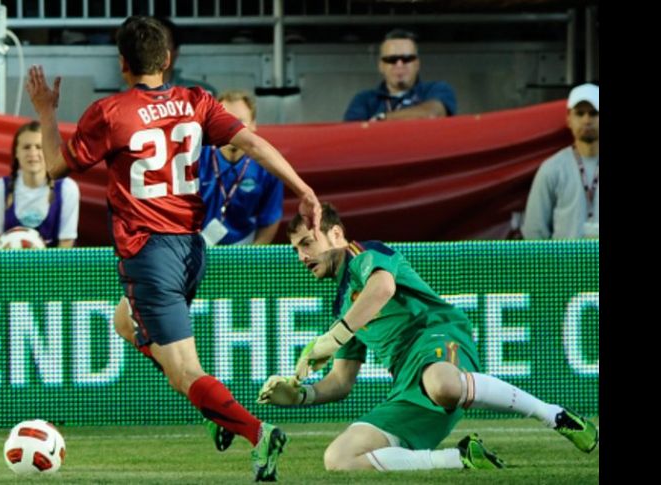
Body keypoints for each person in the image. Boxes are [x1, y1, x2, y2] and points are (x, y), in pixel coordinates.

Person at [25, 16, 321, 482]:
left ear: (122, 64)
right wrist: (303, 188)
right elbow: (255, 144)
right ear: (167, 60)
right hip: (191, 249)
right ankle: (218, 410)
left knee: (185, 371)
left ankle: (257, 432)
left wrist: (45, 111)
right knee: (127, 321)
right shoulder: (196, 101)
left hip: (149, 252)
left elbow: (55, 169)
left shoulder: (110, 112)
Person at [256, 203, 598, 472]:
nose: (301, 256)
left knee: (442, 384)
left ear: (336, 235)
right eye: (296, 249)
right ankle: (460, 458)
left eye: (307, 243)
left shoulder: (365, 254)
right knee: (339, 458)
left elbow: (383, 287)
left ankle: (554, 415)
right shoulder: (344, 306)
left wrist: (334, 336)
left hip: (437, 336)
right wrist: (302, 396)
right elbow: (342, 382)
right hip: (406, 386)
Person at [199, 90, 284, 245]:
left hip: (244, 245)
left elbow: (270, 218)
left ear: (253, 125)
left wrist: (252, 259)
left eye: (239, 122)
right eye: (224, 120)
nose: (230, 128)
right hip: (197, 245)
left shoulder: (268, 167)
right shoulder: (195, 158)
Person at [0, 120, 80, 248]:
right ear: (16, 153)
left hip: (52, 267)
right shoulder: (0, 188)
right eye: (26, 147)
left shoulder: (67, 189)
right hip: (9, 266)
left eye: (39, 147)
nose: (33, 153)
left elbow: (66, 243)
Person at [521, 83, 599, 239]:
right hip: (566, 263)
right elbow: (534, 231)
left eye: (593, 113)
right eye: (580, 113)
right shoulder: (552, 169)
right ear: (569, 119)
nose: (586, 120)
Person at [343, 29, 457, 122]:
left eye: (407, 59)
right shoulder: (363, 100)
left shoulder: (437, 89)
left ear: (417, 64)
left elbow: (433, 114)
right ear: (381, 66)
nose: (399, 64)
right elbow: (353, 137)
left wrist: (381, 119)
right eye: (391, 59)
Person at [156, 17, 218, 95]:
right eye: (149, 43)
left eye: (163, 43)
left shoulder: (200, 94)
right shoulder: (136, 93)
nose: (156, 49)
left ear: (176, 51)